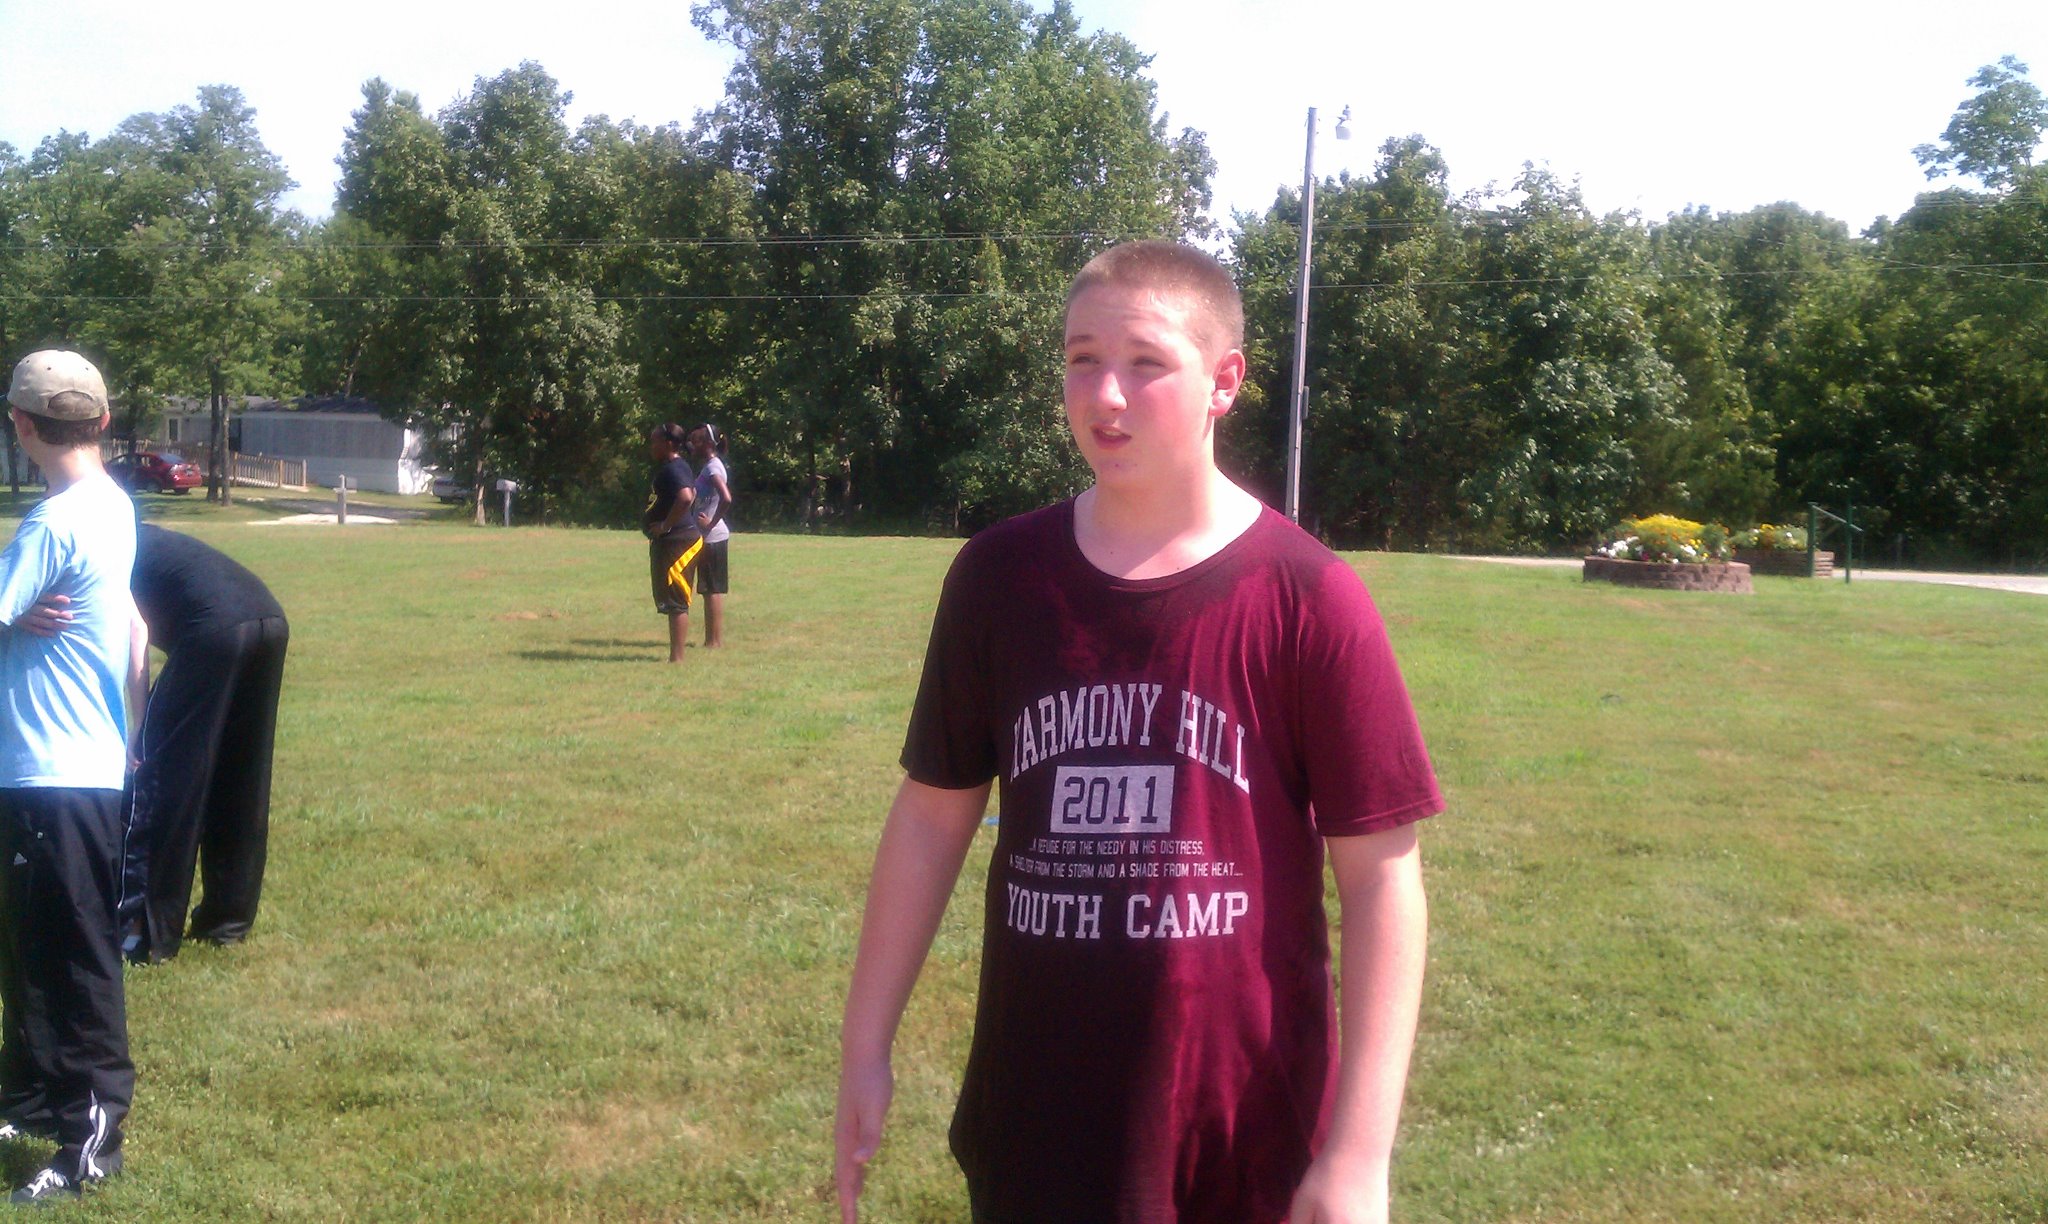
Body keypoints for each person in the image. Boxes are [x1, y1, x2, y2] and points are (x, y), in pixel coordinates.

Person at [833, 242, 1443, 1224]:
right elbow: (932, 816)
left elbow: (1380, 876)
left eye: (1146, 362)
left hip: (1240, 1135)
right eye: (1081, 359)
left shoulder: (1307, 597)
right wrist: (865, 1044)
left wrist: (1359, 1156)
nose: (1104, 396)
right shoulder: (999, 579)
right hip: (1035, 1123)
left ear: (1224, 383)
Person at [0, 350, 145, 1203]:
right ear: (102, 420)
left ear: (21, 424)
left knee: (73, 956)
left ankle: (92, 1140)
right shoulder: (112, 505)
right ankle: (25, 1101)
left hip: (56, 771)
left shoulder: (51, 524)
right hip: (69, 767)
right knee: (31, 944)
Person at [26, 524, 290, 964]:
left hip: (212, 627)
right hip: (268, 619)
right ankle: (227, 921)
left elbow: (135, 632)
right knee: (242, 775)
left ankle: (142, 930)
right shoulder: (126, 531)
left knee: (164, 781)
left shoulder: (92, 545)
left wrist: (141, 723)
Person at [643, 423, 699, 664]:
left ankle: (677, 659)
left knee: (677, 600)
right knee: (670, 598)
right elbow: (691, 494)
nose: (651, 446)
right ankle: (675, 656)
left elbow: (686, 496)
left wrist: (666, 525)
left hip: (679, 541)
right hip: (671, 541)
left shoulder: (675, 468)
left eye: (654, 441)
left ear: (668, 443)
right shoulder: (675, 467)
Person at [687, 423, 734, 648]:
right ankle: (711, 640)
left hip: (713, 537)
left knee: (712, 589)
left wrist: (711, 522)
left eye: (697, 440)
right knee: (707, 589)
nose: (692, 444)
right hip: (706, 537)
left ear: (708, 444)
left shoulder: (713, 468)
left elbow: (726, 498)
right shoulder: (709, 466)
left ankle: (714, 642)